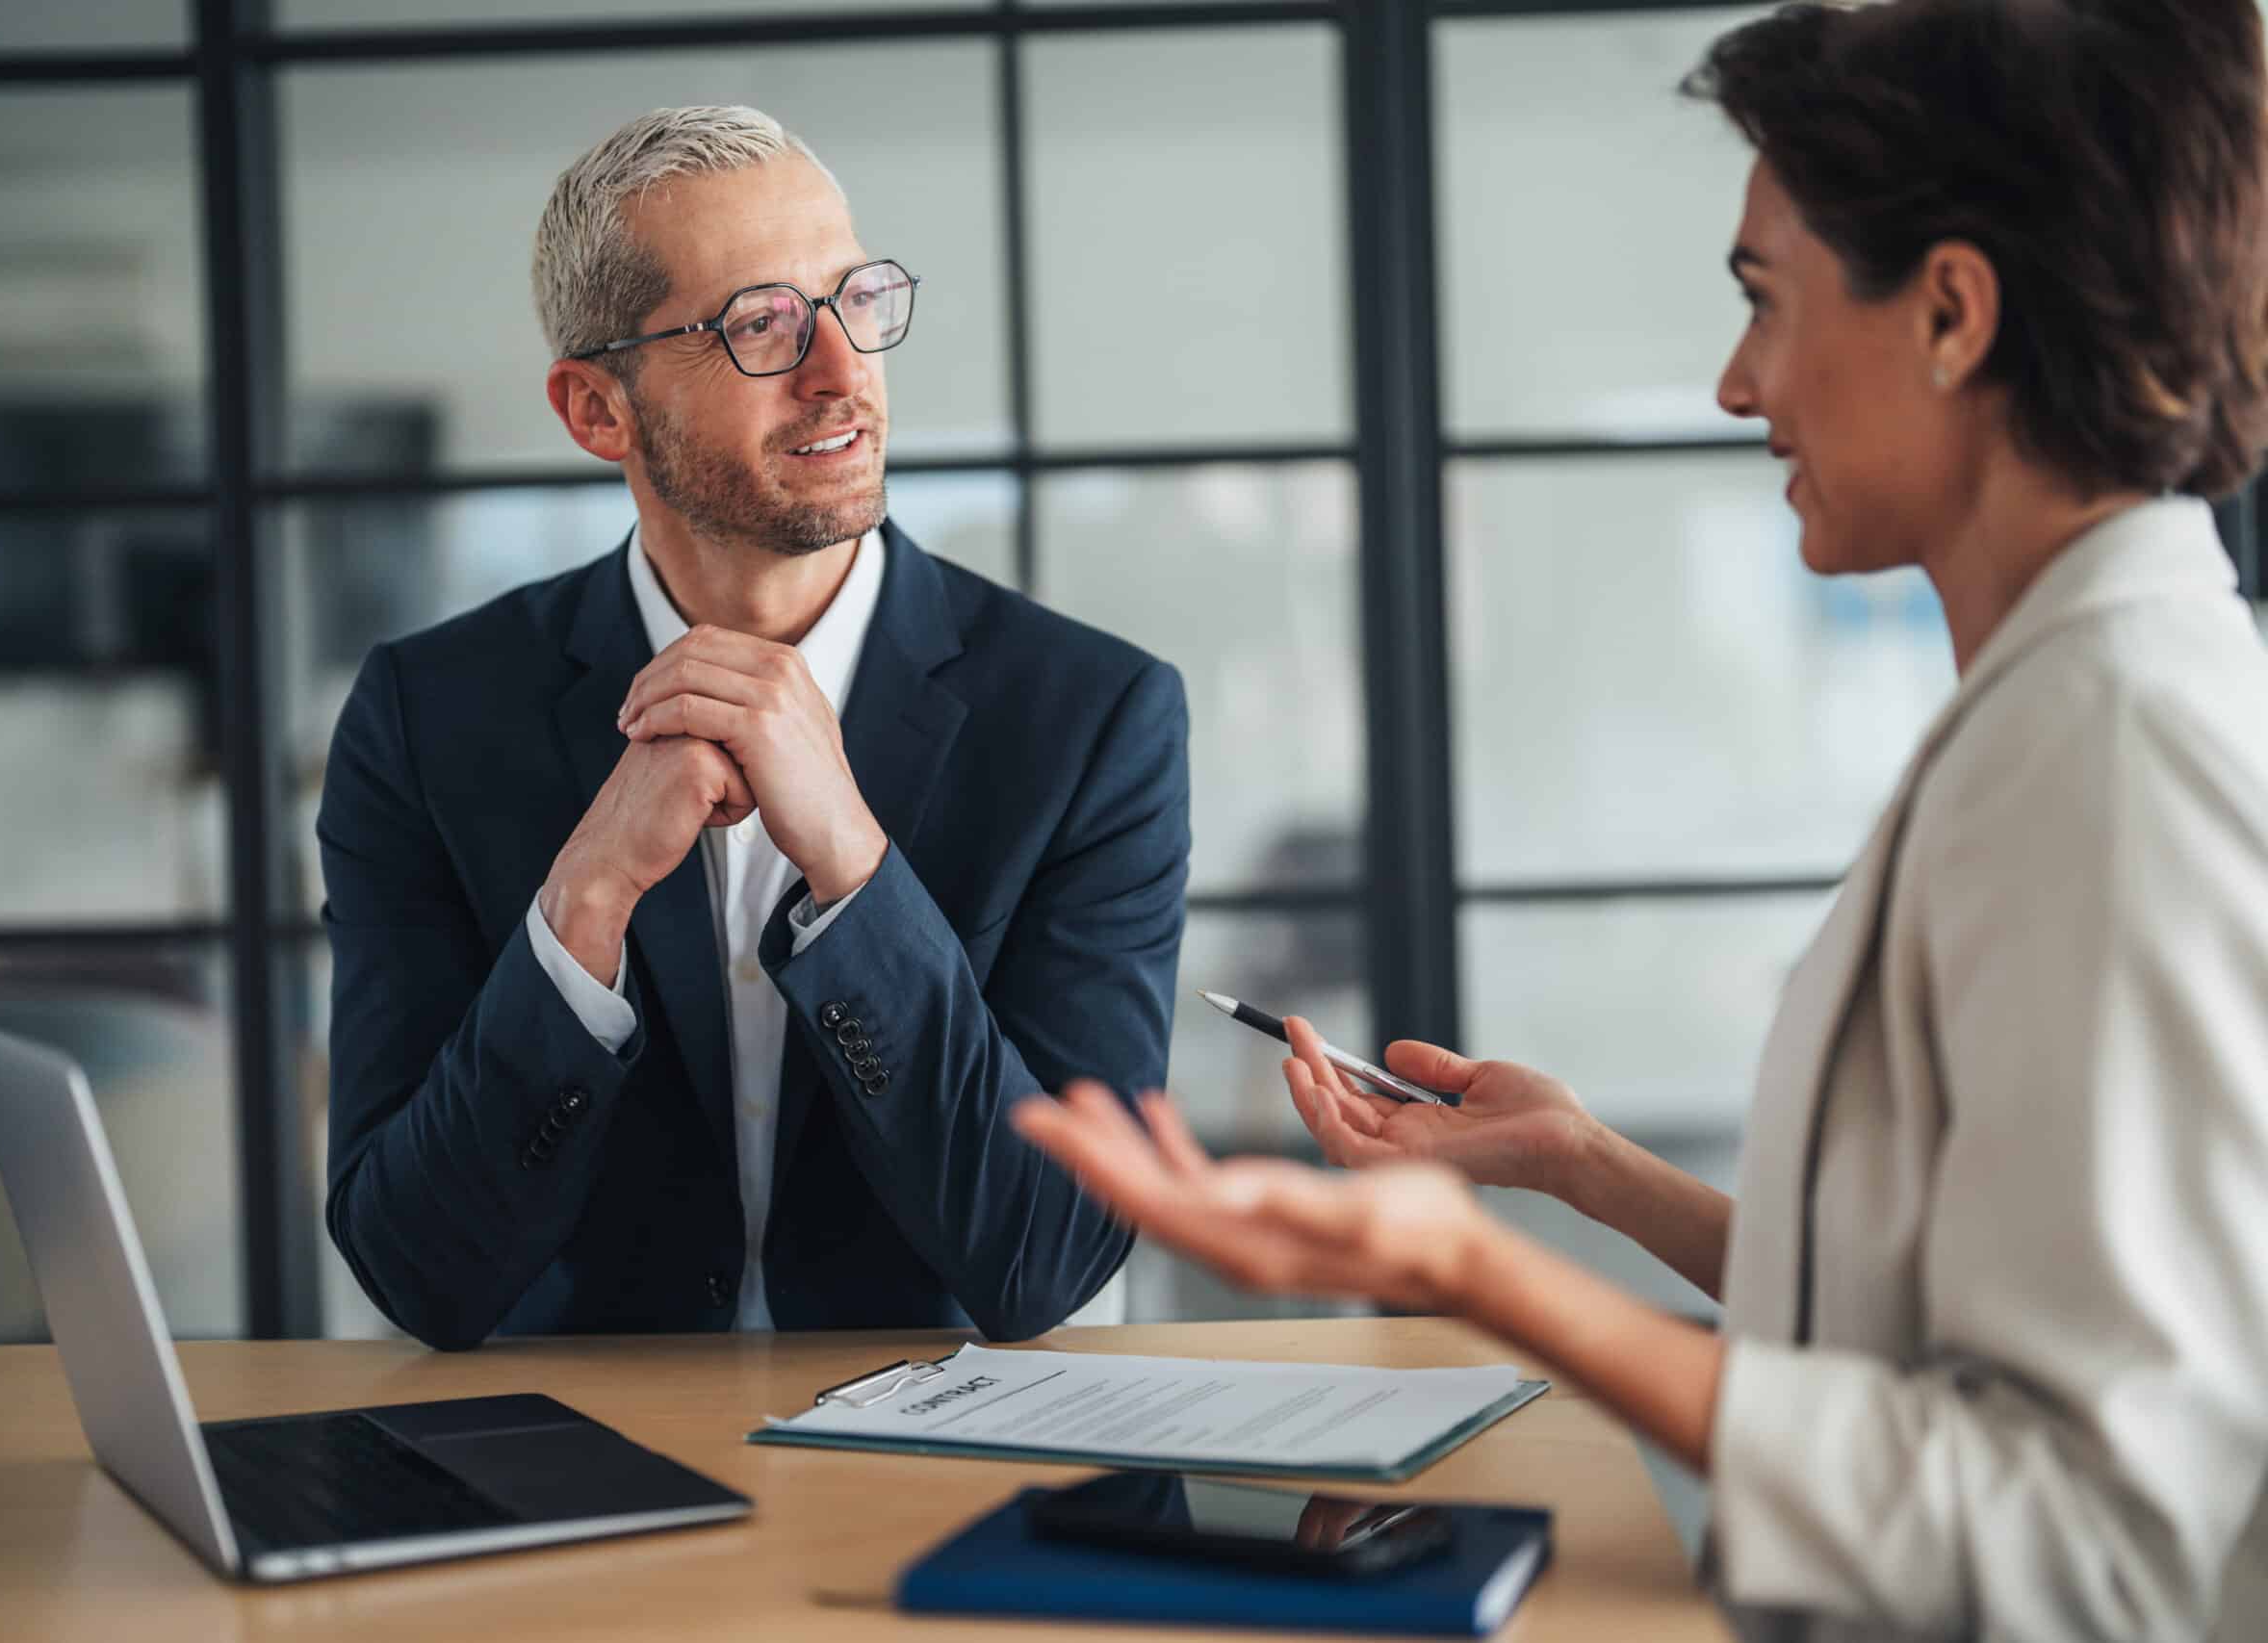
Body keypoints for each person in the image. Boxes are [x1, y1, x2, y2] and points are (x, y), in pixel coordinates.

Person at [1013, 2, 2268, 1637]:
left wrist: (1468, 1276)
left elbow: (2081, 1535)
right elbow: (1906, 1329)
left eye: (1766, 302)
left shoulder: (2120, 755)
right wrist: (1583, 1169)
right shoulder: (2054, 710)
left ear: (1952, 311)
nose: (1740, 383)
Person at [320, 107, 1188, 1350]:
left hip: (948, 1492)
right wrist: (584, 904)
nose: (842, 373)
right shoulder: (425, 718)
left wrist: (853, 866)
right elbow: (418, 1273)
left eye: (855, 300)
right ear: (596, 413)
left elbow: (1044, 1259)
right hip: (582, 1486)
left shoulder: (1094, 721)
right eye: (762, 327)